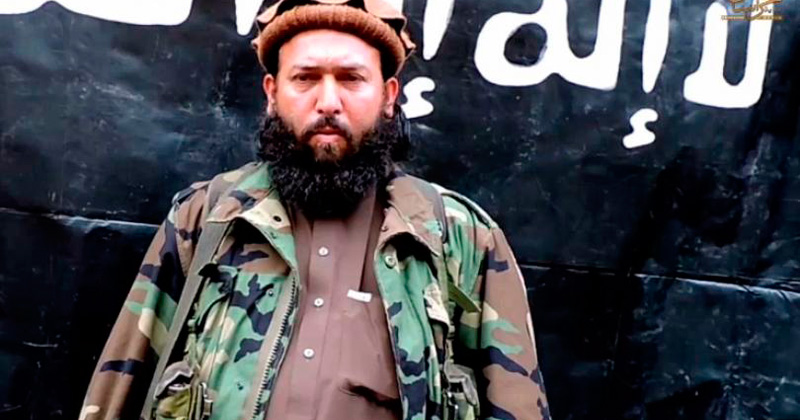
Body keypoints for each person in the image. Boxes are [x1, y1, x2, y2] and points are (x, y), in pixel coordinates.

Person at [81, 0, 550, 419]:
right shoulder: (207, 218)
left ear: (389, 97)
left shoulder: (460, 238)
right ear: (271, 93)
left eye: (351, 79)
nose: (328, 102)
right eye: (305, 78)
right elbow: (119, 387)